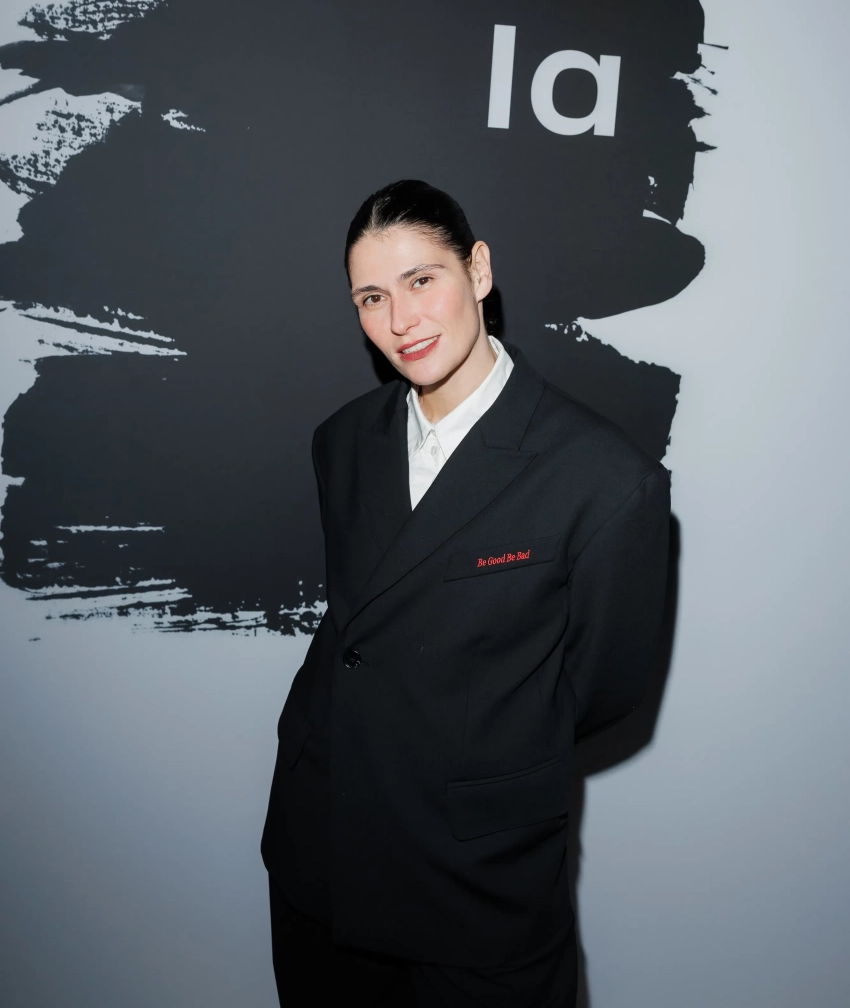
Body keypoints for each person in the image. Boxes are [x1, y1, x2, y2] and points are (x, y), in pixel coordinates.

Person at [261, 179, 671, 1007]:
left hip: (474, 877)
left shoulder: (605, 478)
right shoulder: (342, 441)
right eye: (372, 298)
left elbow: (600, 691)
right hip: (324, 847)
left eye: (422, 280)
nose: (400, 320)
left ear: (478, 270)